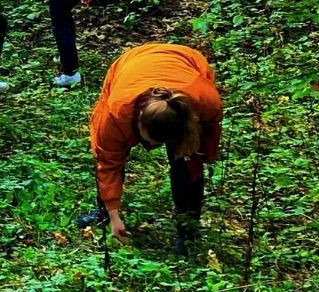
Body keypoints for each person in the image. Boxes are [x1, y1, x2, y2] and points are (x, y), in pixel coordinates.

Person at [86, 43, 223, 254]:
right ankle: (104, 213)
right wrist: (114, 215)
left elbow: (206, 141)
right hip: (132, 65)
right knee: (111, 154)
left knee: (187, 161)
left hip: (188, 64)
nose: (152, 146)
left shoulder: (205, 102)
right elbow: (108, 162)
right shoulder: (116, 112)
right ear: (139, 118)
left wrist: (198, 156)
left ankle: (188, 230)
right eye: (149, 140)